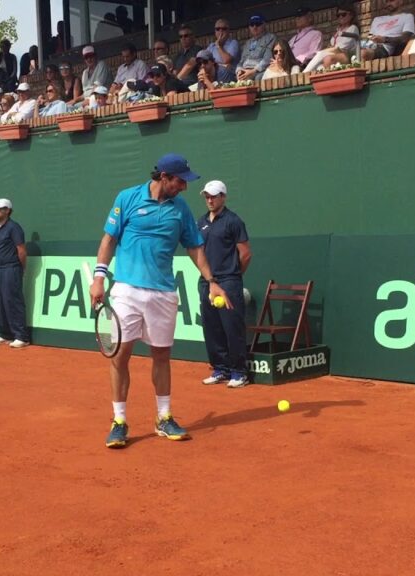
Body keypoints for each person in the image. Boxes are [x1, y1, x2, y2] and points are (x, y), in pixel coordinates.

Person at [89, 153, 230, 449]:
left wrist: (213, 282)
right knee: (120, 355)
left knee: (162, 356)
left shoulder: (181, 210)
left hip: (163, 293)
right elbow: (108, 240)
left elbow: (195, 248)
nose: (184, 187)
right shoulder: (127, 198)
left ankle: (163, 418)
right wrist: (99, 278)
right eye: (180, 181)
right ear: (164, 177)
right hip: (127, 289)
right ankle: (119, 421)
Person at [196, 181, 252, 388]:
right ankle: (220, 369)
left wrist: (233, 276)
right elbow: (198, 252)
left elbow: (245, 254)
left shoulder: (233, 221)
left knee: (232, 328)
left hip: (228, 282)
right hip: (206, 282)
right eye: (206, 196)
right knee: (212, 328)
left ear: (223, 197)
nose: (209, 200)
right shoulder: (200, 222)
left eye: (214, 196)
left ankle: (239, 372)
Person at [0, 198, 30, 349]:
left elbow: (21, 250)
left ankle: (21, 337)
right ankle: (5, 334)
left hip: (11, 268)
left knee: (12, 301)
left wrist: (21, 268)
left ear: (8, 211)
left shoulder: (14, 228)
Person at [303, 4, 361, 72]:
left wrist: (327, 50)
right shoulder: (338, 30)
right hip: (336, 53)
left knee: (320, 54)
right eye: (338, 15)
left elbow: (341, 48)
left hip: (347, 55)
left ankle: (304, 74)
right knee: (319, 67)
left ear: (351, 15)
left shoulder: (353, 28)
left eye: (343, 14)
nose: (340, 17)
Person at [236, 14, 277, 82]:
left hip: (259, 70)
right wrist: (239, 71)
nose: (254, 27)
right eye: (252, 24)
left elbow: (267, 59)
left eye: (257, 24)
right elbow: (241, 61)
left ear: (264, 25)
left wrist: (253, 71)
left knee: (257, 78)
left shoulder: (271, 38)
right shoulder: (248, 43)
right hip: (245, 71)